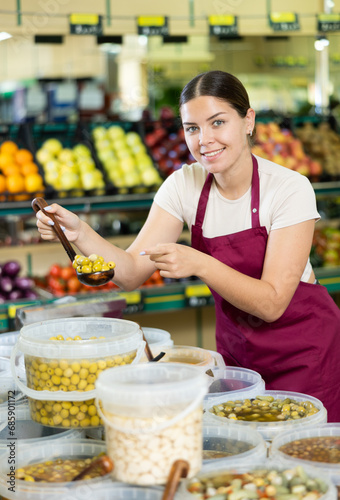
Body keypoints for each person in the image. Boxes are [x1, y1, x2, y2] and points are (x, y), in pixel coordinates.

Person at [35, 70, 340, 422]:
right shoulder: (185, 184)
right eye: (192, 128)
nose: (204, 139)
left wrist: (200, 263)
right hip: (239, 356)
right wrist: (79, 233)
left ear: (248, 121)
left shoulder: (288, 188)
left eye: (218, 122)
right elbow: (132, 272)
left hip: (306, 355)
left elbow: (272, 304)